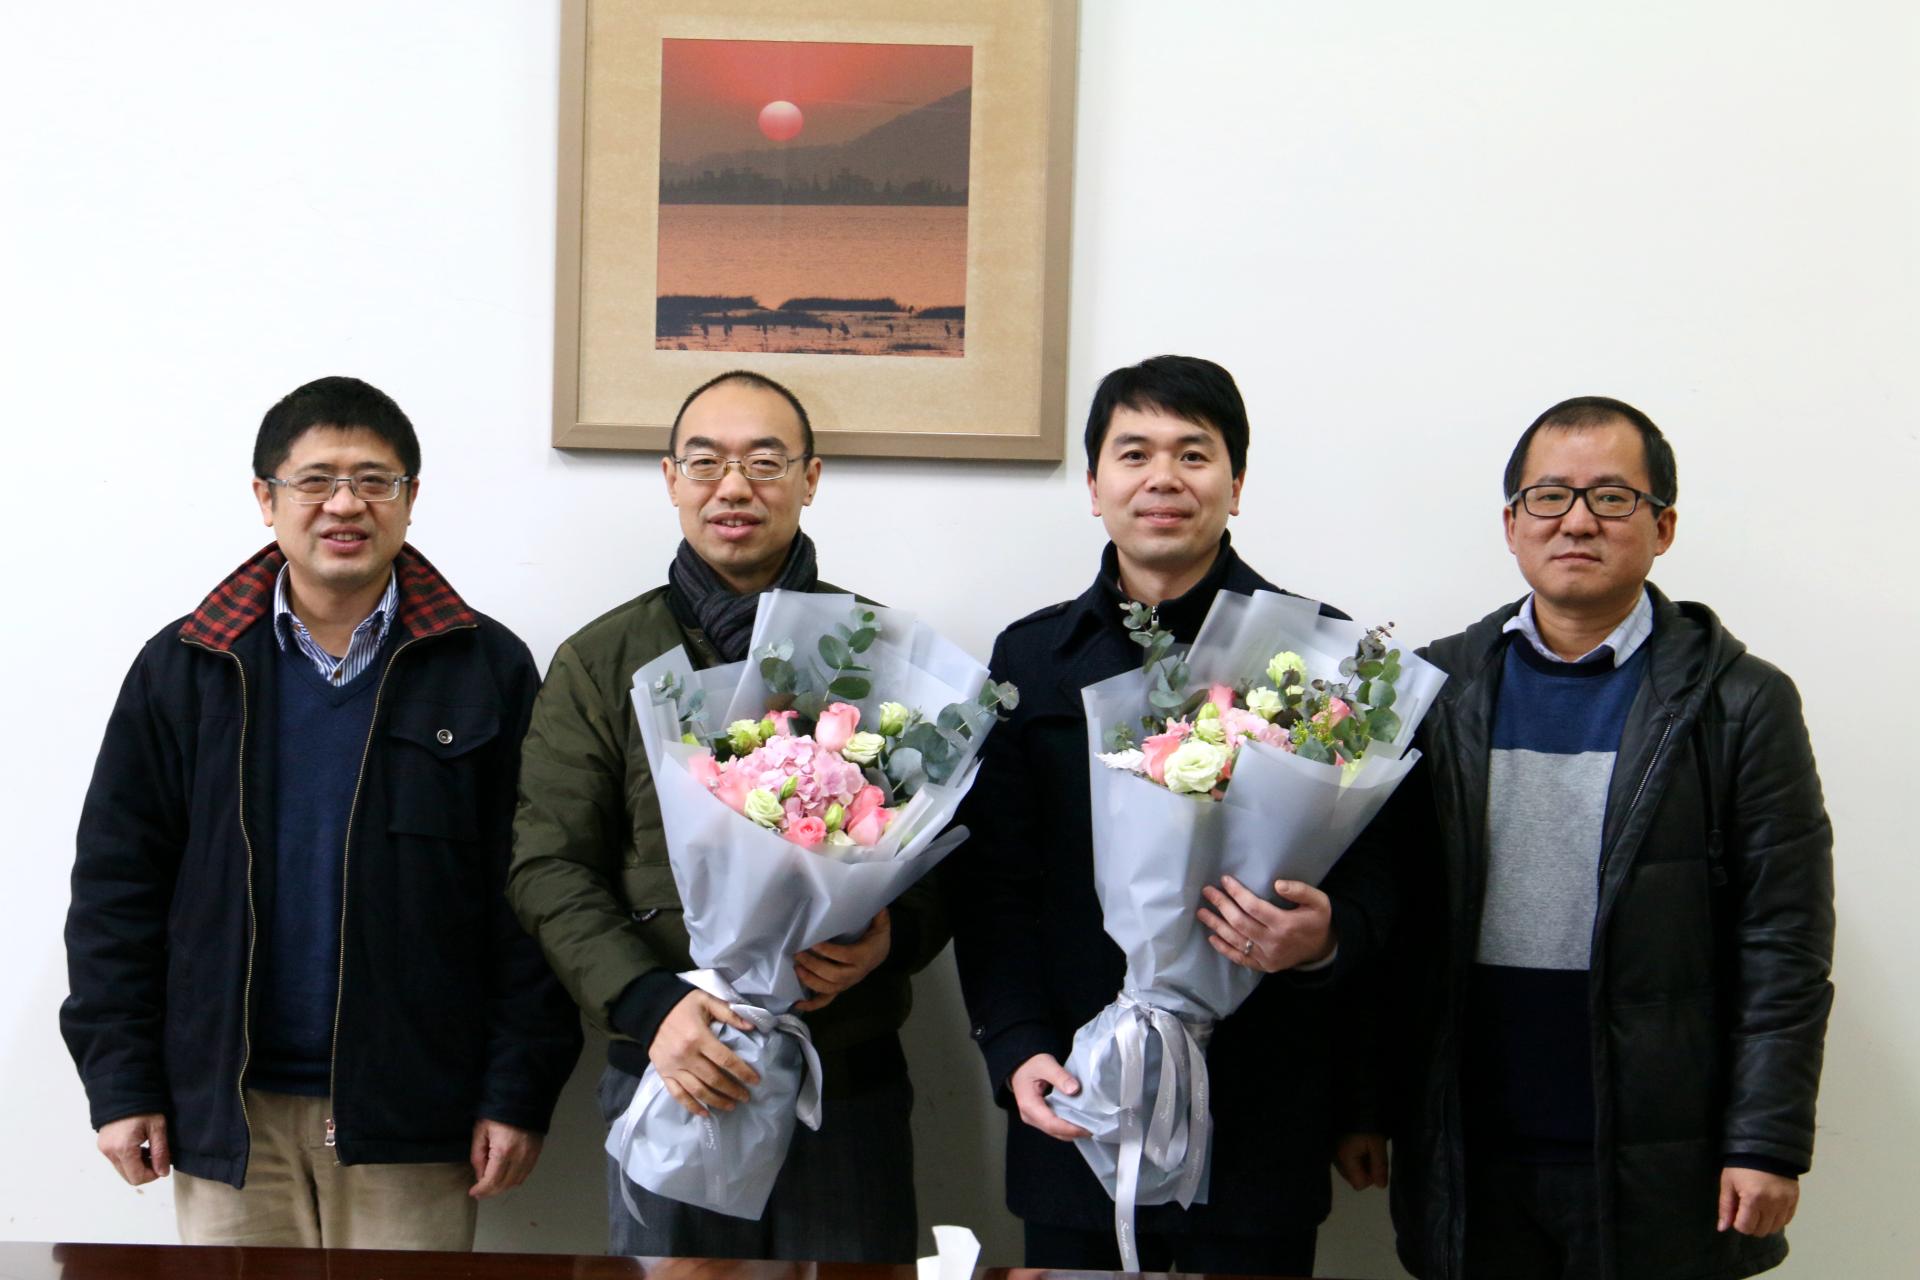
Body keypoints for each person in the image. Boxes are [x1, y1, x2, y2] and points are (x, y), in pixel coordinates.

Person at [61, 376, 582, 1249]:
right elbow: (117, 889)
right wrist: (121, 1083)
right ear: (266, 498)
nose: (345, 504)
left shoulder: (485, 669)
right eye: (315, 480)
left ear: (410, 498)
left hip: (414, 1113)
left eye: (375, 480)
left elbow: (533, 898)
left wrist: (517, 1089)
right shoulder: (185, 667)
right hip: (226, 1113)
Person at [947, 354, 1393, 1275]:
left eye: (1193, 454)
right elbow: (993, 886)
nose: (1163, 478)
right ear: (1094, 486)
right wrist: (1018, 1047)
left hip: (1262, 1101)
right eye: (1134, 453)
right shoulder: (1032, 658)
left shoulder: (1321, 655)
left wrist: (1326, 938)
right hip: (1075, 1091)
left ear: (1237, 484)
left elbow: (1388, 875)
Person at [1376, 396, 1834, 1279]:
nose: (1578, 521)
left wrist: (1767, 1141)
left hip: (1661, 1157)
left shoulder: (1742, 702)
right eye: (1549, 496)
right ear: (1512, 525)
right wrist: (1366, 1107)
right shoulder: (1433, 690)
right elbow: (1389, 920)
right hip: (1468, 1148)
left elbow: (1784, 940)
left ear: (1663, 526)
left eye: (1613, 498)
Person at [507, 370, 946, 1262]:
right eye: (705, 462)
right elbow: (548, 865)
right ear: (671, 479)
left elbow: (950, 859)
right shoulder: (602, 661)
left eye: (765, 462)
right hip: (674, 1066)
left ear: (810, 478)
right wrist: (650, 1004)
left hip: (843, 1075)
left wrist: (890, 938)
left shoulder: (887, 654)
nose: (734, 486)